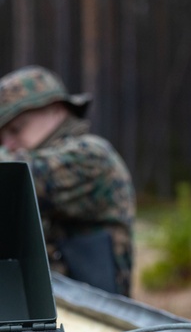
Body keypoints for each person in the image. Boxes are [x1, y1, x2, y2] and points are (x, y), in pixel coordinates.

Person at [0, 65, 135, 296]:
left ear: (56, 110)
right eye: (1, 138)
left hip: (93, 313)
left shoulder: (91, 156)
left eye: (16, 129)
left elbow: (25, 175)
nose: (8, 144)